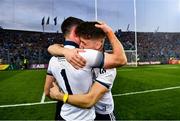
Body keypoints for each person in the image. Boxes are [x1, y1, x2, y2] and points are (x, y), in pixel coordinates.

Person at [48, 21, 127, 120]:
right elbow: (52, 48)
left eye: (84, 43)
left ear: (98, 45)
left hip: (103, 113)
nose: (80, 46)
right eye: (80, 42)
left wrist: (61, 96)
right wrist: (65, 51)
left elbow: (89, 100)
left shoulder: (109, 67)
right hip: (88, 111)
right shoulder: (84, 55)